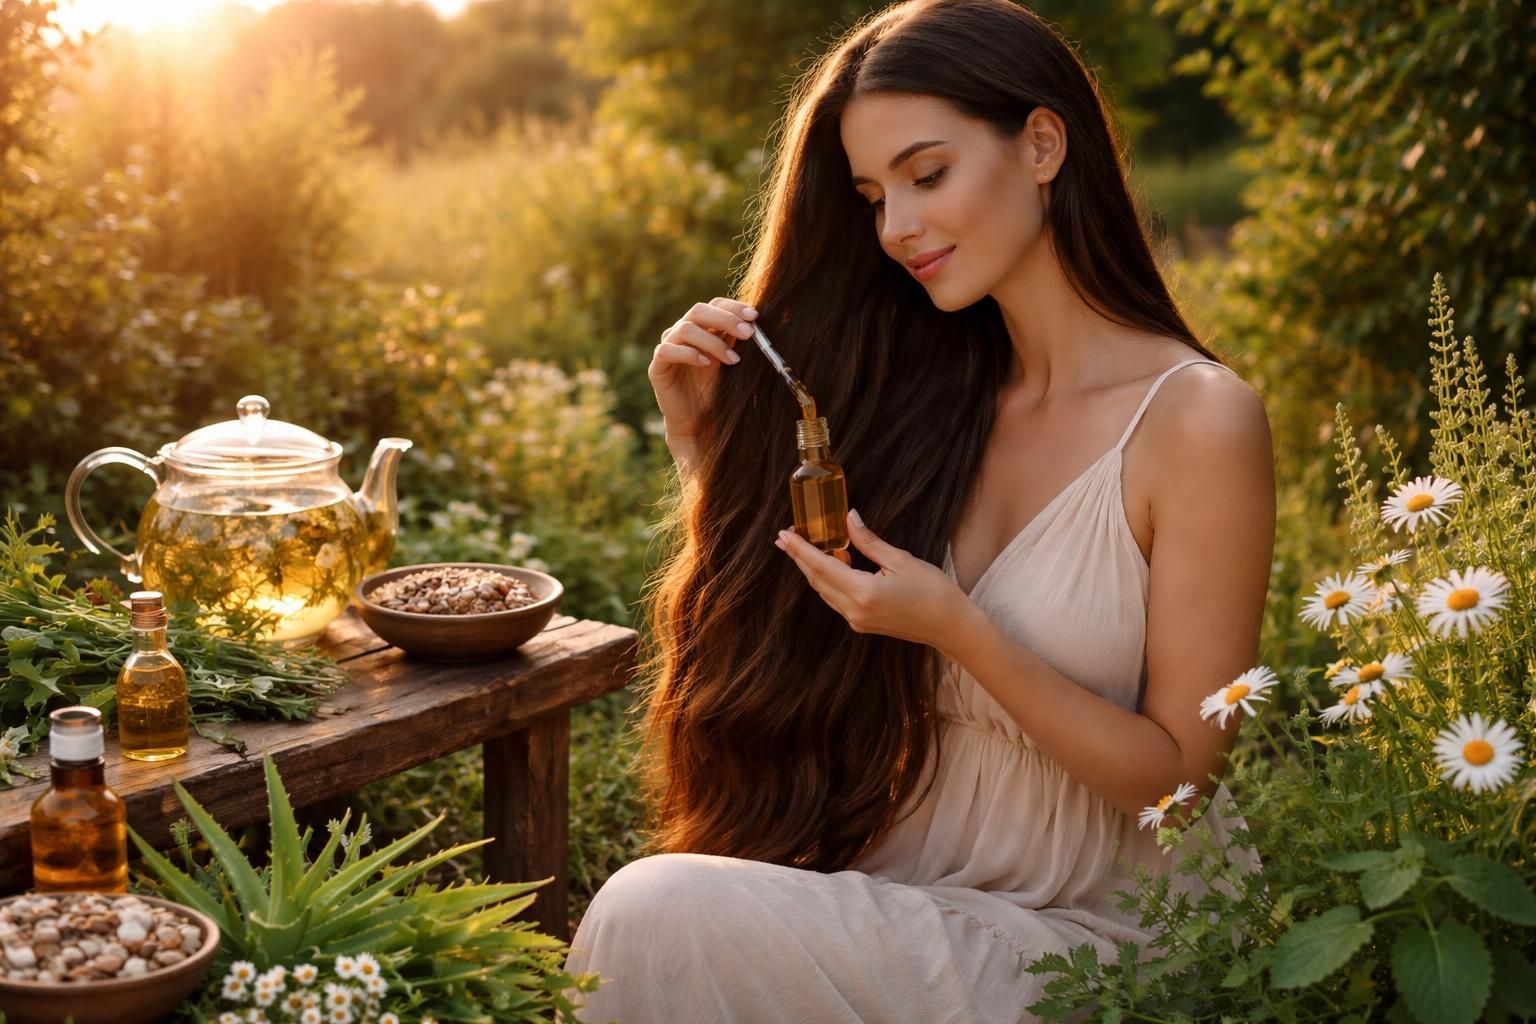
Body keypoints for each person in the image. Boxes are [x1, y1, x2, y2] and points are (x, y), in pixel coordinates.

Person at [564, 0, 1275, 1020]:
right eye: (870, 195)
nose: (895, 229)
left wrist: (959, 630)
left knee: (651, 912)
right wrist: (710, 457)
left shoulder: (1199, 421)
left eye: (926, 174)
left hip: (1110, 935)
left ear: (1041, 144)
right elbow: (794, 634)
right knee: (659, 917)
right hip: (922, 890)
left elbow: (1178, 780)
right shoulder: (933, 395)